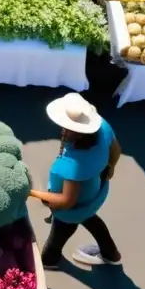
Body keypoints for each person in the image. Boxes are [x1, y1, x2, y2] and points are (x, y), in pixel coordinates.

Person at [29, 92, 122, 269]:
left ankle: (49, 261)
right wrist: (110, 167)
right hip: (94, 194)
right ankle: (111, 253)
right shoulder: (102, 127)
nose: (63, 129)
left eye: (68, 128)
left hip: (72, 210)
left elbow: (66, 201)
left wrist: (32, 192)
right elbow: (116, 149)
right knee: (91, 219)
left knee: (58, 236)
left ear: (80, 134)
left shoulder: (73, 163)